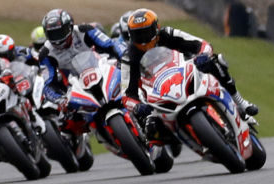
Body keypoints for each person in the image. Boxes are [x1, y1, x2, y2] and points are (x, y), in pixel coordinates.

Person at [119, 7, 258, 115]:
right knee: (147, 123)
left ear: (156, 28)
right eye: (138, 35)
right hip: (156, 90)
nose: (143, 39)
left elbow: (202, 44)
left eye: (146, 33)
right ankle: (156, 149)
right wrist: (137, 106)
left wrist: (203, 55)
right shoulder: (128, 57)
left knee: (216, 62)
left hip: (183, 70)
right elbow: (127, 95)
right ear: (131, 36)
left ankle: (241, 102)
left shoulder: (168, 34)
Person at [32, 8, 127, 103]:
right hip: (75, 90)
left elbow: (111, 45)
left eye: (60, 32)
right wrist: (60, 100)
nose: (57, 39)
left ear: (69, 27)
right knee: (68, 117)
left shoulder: (84, 30)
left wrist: (124, 59)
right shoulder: (45, 54)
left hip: (101, 74)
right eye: (53, 34)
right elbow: (48, 85)